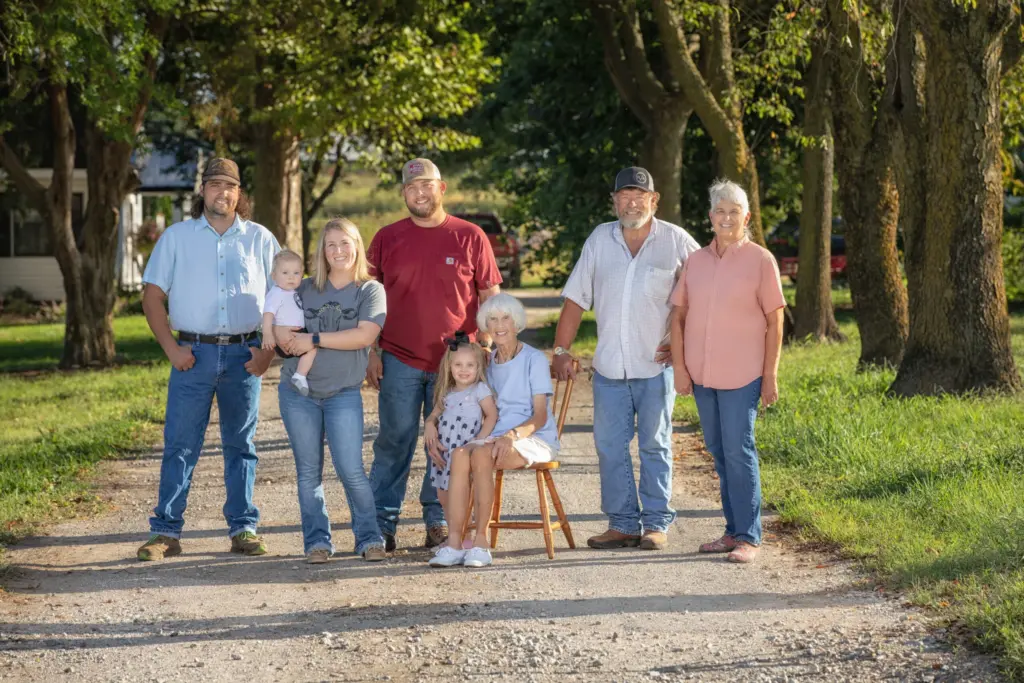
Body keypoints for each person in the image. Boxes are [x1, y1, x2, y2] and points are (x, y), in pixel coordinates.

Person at [137, 158, 279, 561]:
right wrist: (171, 349)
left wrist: (267, 353)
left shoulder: (260, 239)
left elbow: (283, 298)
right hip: (192, 355)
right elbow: (152, 296)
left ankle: (244, 528)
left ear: (239, 193)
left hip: (243, 355)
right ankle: (165, 533)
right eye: (214, 185)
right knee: (180, 444)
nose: (222, 192)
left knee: (241, 445)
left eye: (229, 186)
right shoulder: (177, 237)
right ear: (203, 191)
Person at [552, 167, 700, 551]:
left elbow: (706, 295)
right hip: (609, 368)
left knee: (655, 444)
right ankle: (621, 523)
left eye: (640, 195)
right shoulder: (600, 239)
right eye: (624, 196)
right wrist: (561, 350)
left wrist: (686, 343)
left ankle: (654, 524)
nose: (632, 202)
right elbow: (574, 299)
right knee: (608, 445)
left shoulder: (677, 241)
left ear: (654, 200)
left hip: (657, 367)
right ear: (614, 201)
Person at [366, 158, 502, 552]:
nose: (419, 193)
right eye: (411, 188)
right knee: (395, 440)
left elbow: (491, 298)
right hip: (398, 357)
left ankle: (438, 520)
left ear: (442, 189)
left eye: (426, 185)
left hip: (456, 366)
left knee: (448, 441)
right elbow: (367, 299)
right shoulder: (387, 238)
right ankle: (382, 524)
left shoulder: (470, 236)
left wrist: (489, 346)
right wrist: (371, 352)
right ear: (404, 193)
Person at [669, 179, 785, 564]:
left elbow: (775, 321)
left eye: (734, 211)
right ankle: (732, 530)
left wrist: (770, 375)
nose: (726, 217)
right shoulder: (696, 261)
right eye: (720, 211)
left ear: (746, 217)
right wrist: (681, 368)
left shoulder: (760, 260)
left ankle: (749, 536)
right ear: (710, 217)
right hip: (702, 374)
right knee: (719, 452)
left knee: (739, 449)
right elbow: (679, 316)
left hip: (744, 373)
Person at [274, 218, 388, 563]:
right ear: (322, 252)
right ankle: (317, 543)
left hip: (343, 393)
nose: (338, 251)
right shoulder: (303, 288)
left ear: (357, 246)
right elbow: (281, 327)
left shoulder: (370, 290)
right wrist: (285, 340)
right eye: (330, 245)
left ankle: (369, 538)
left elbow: (365, 335)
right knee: (308, 472)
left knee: (351, 468)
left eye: (345, 243)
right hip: (299, 393)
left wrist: (314, 339)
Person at [431, 292, 560, 568]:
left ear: (517, 323)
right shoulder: (487, 363)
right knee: (459, 454)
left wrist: (511, 436)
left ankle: (480, 542)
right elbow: (458, 397)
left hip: (531, 437)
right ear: (486, 326)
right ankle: (455, 543)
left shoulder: (533, 359)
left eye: (506, 318)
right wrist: (432, 422)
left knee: (478, 456)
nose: (499, 324)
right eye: (492, 319)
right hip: (492, 437)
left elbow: (539, 416)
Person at [422, 333, 498, 518]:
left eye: (470, 365)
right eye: (458, 365)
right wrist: (430, 424)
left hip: (465, 451)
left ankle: (466, 535)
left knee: (464, 493)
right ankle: (453, 535)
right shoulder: (447, 391)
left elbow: (491, 415)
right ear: (449, 366)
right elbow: (434, 414)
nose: (464, 370)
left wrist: (478, 441)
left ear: (478, 366)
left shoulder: (479, 390)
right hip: (444, 453)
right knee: (443, 495)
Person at [261, 249, 316, 396]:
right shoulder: (276, 293)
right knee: (313, 347)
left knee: (313, 347)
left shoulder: (292, 292)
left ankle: (300, 374)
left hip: (295, 332)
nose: (291, 277)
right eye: (285, 273)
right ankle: (300, 375)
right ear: (274, 276)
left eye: (296, 273)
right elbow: (268, 314)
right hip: (288, 335)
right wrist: (267, 333)